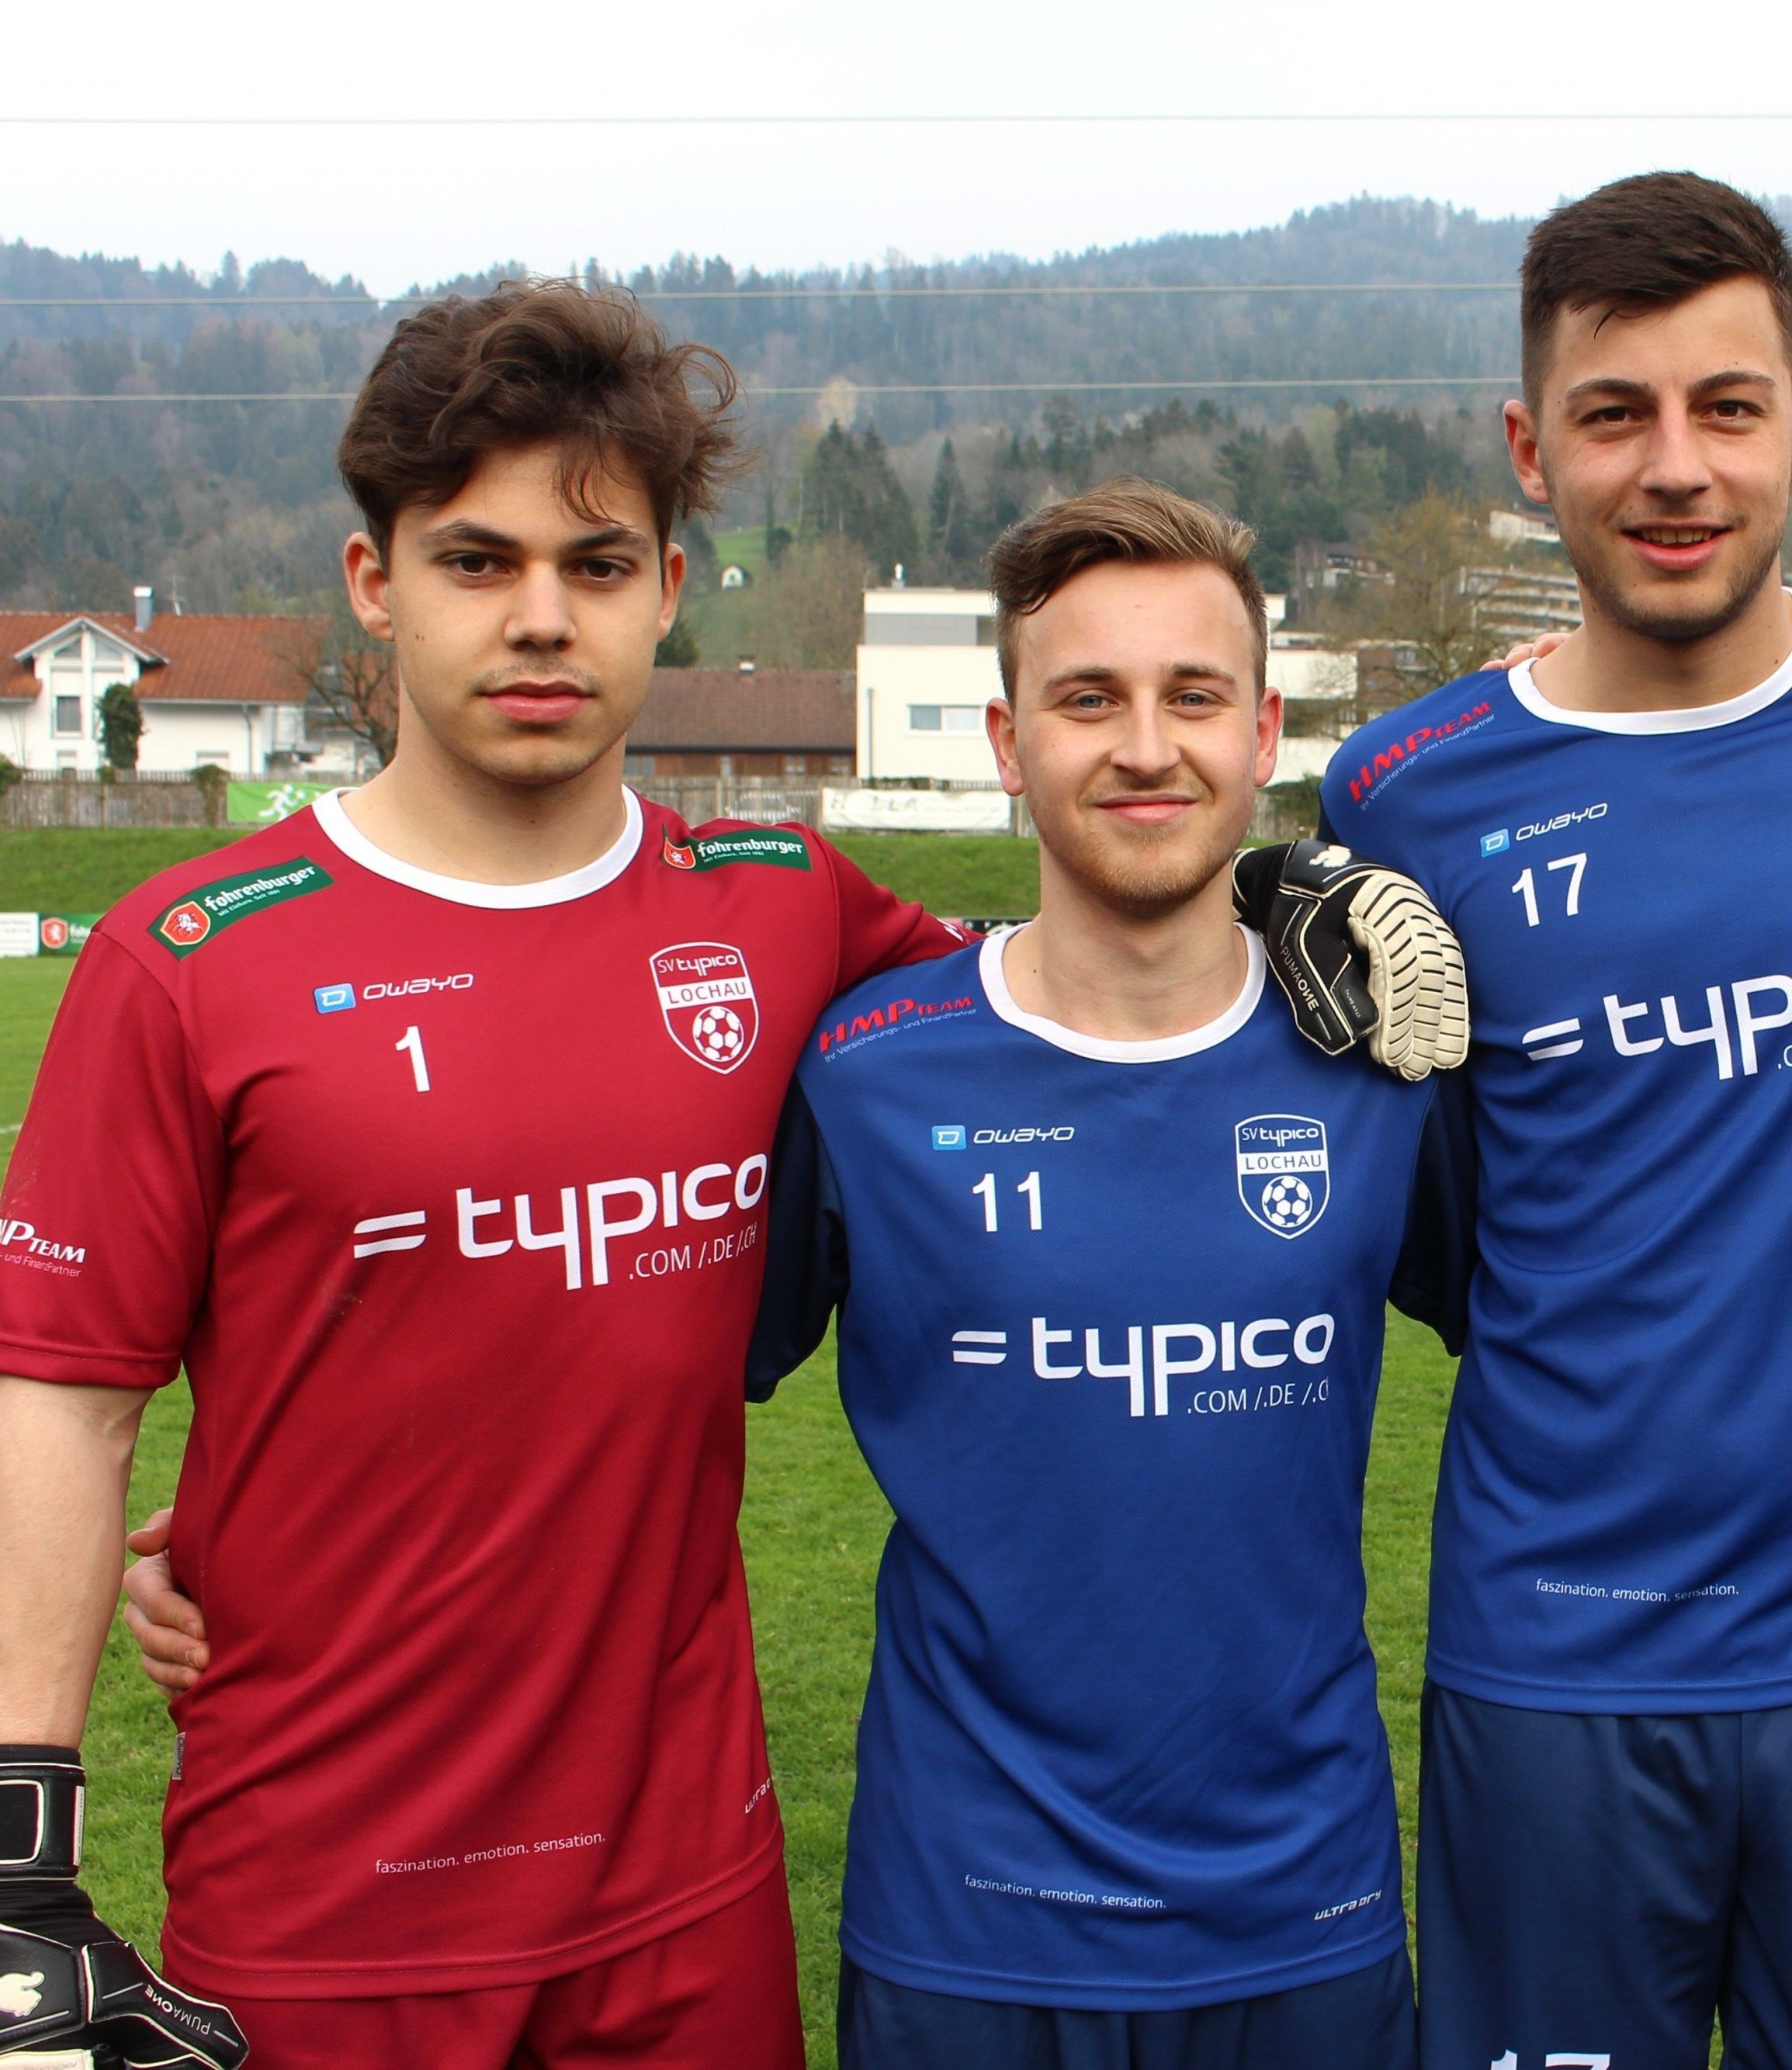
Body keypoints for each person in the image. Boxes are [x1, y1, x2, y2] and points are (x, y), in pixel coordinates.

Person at [0, 285, 1454, 2070]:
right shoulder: (191, 955)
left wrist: (1280, 888)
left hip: (683, 1899)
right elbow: (63, 1391)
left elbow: (1067, 970)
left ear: (670, 587)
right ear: (372, 582)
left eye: (599, 564)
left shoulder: (781, 907)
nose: (542, 615)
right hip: (331, 1892)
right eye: (477, 559)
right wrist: (21, 1845)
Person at [1320, 172, 1792, 2070]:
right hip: (1558, 1643)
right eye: (1613, 412)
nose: (1674, 466)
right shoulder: (1401, 791)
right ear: (1524, 447)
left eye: (1725, 407)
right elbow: (1428, 1223)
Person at [743, 479, 1461, 2067]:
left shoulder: (1385, 1064)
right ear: (1008, 742)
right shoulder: (864, 1074)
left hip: (1306, 1910)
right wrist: (272, 1515)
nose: (1146, 744)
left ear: (1262, 726)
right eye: (1087, 698)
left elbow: (1587, 1334)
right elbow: (629, 1372)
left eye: (1191, 693)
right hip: (966, 1920)